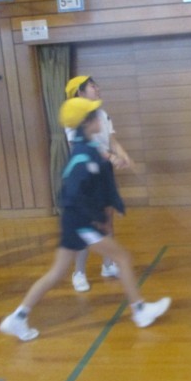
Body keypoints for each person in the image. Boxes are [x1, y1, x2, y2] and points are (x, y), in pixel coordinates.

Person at [0, 97, 170, 341]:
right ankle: (140, 311)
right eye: (94, 115)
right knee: (122, 257)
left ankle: (17, 318)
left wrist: (111, 198)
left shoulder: (90, 148)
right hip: (80, 223)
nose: (100, 118)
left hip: (76, 222)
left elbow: (99, 184)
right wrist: (95, 219)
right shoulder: (82, 157)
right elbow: (71, 196)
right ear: (86, 123)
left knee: (57, 273)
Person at [64, 76, 131, 293]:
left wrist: (123, 155)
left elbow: (112, 140)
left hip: (104, 170)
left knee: (107, 219)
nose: (98, 88)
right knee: (89, 222)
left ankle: (108, 265)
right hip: (86, 172)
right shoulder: (75, 116)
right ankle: (79, 272)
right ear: (80, 92)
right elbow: (84, 146)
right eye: (93, 86)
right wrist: (112, 157)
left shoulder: (102, 113)